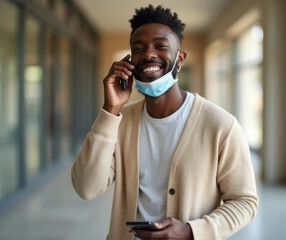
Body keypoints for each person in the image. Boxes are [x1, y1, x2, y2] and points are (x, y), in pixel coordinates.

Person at [71, 5, 258, 240]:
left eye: (161, 46)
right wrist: (110, 109)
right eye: (138, 48)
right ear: (129, 60)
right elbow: (86, 188)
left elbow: (244, 201)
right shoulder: (120, 121)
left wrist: (192, 231)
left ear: (180, 57)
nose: (148, 54)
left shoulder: (221, 125)